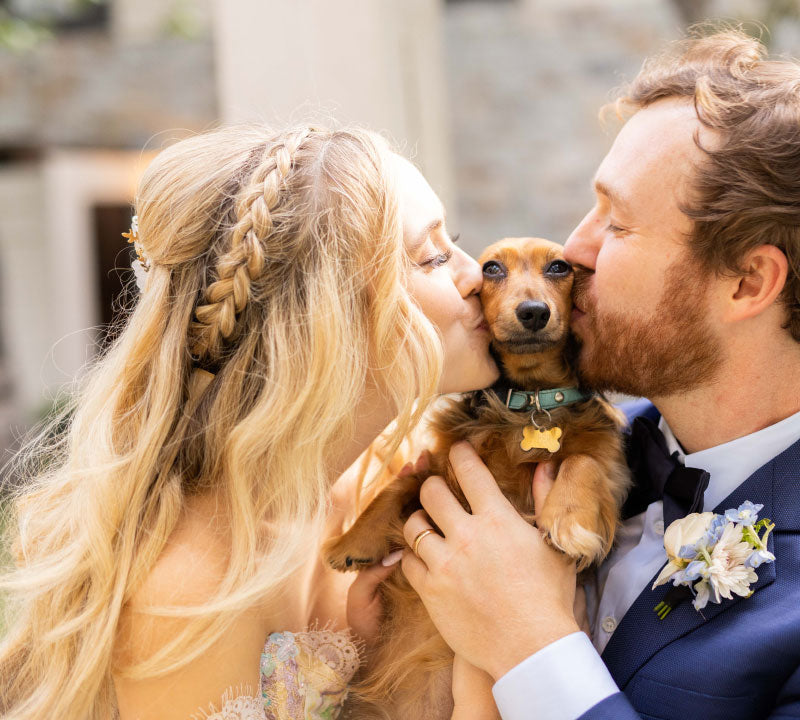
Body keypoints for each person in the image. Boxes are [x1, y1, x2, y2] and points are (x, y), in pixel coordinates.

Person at [397, 29, 800, 719]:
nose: (575, 251)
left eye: (617, 224)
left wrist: (534, 647)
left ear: (747, 281)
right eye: (591, 208)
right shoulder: (567, 437)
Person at [0, 124, 503, 719]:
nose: (478, 274)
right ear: (328, 319)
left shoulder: (390, 474)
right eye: (433, 257)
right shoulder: (190, 591)